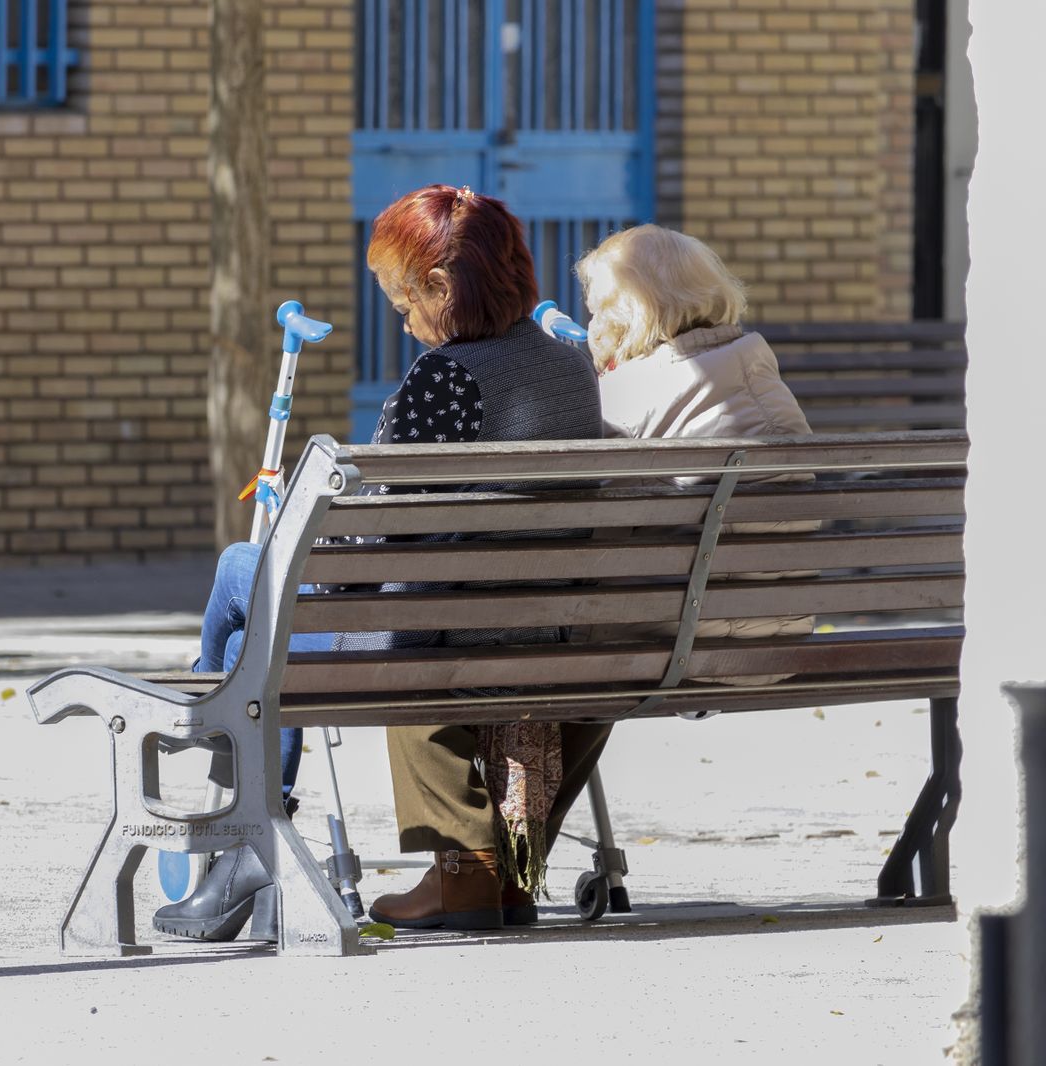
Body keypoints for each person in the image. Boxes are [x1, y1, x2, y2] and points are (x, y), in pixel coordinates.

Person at [154, 183, 605, 940]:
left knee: (241, 576)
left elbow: (370, 546)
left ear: (439, 286)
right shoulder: (568, 366)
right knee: (247, 644)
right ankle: (237, 823)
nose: (404, 323)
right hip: (549, 633)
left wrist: (315, 551)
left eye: (404, 305)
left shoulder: (446, 379)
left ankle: (232, 804)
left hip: (427, 633)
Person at [466, 222, 818, 929]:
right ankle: (511, 871)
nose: (591, 323)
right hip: (770, 632)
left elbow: (577, 528)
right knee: (587, 655)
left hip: (668, 638)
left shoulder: (632, 391)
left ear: (633, 311)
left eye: (598, 308)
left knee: (526, 651)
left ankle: (498, 871)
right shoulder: (757, 370)